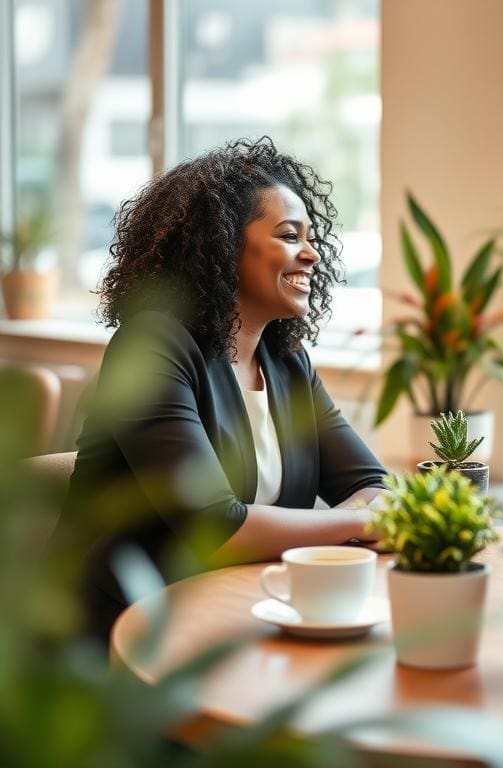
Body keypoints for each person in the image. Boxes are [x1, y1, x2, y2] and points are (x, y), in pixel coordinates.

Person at [61, 137, 388, 642]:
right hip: (121, 639)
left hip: (238, 616)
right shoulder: (153, 345)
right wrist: (360, 522)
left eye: (310, 236)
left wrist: (358, 514)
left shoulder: (286, 363)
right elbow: (215, 530)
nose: (312, 254)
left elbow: (374, 484)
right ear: (223, 244)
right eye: (288, 235)